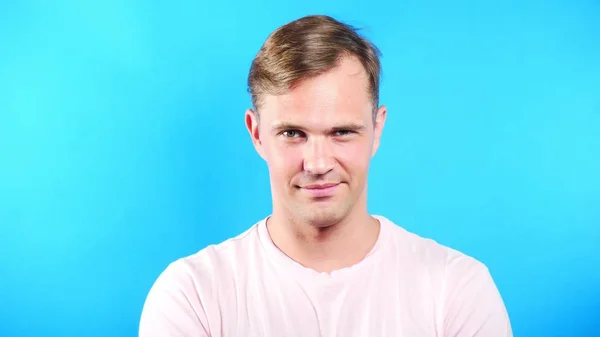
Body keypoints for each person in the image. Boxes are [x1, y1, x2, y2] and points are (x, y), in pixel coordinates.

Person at [139, 14, 513, 337]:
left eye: (342, 132)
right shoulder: (192, 294)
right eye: (292, 134)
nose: (317, 164)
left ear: (377, 130)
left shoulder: (457, 288)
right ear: (256, 134)